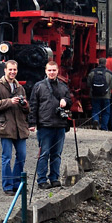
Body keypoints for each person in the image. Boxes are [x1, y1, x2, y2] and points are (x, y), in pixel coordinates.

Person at [0, 60, 32, 196]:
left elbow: (26, 110)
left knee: (22, 156)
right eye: (10, 70)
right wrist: (9, 102)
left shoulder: (20, 88)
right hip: (5, 127)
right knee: (6, 158)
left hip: (20, 127)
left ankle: (17, 184)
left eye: (15, 70)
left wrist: (25, 105)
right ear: (5, 70)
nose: (12, 72)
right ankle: (7, 186)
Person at [29, 61, 71, 190]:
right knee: (44, 153)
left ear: (58, 71)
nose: (52, 73)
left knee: (56, 154)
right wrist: (32, 123)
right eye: (49, 70)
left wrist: (66, 101)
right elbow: (33, 105)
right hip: (45, 125)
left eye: (54, 70)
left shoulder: (64, 87)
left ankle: (54, 178)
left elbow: (70, 101)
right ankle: (41, 179)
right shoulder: (39, 86)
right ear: (45, 71)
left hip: (60, 125)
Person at [86, 58, 112, 131]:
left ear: (98, 63)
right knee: (106, 112)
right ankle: (104, 127)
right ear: (105, 63)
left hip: (94, 95)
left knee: (95, 110)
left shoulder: (92, 72)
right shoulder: (109, 73)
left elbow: (88, 84)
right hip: (106, 96)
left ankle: (96, 120)